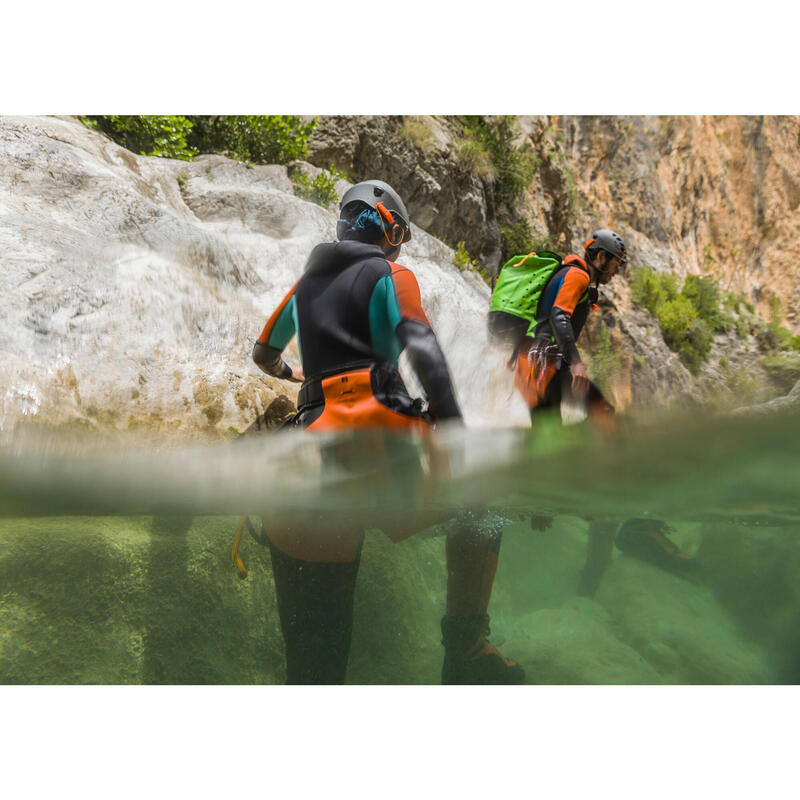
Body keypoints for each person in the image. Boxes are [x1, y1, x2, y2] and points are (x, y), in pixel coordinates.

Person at [252, 179, 523, 684]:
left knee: (314, 677)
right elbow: (424, 351)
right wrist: (455, 438)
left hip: (302, 466)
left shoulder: (307, 282)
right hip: (376, 461)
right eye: (396, 235)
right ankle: (466, 648)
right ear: (388, 228)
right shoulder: (392, 274)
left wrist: (300, 378)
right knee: (487, 506)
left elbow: (263, 356)